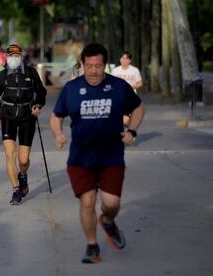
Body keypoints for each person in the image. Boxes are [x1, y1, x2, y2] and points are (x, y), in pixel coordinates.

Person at [50, 43, 145, 264]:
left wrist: (132, 130)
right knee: (87, 201)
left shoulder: (119, 87)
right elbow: (57, 116)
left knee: (111, 204)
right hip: (81, 158)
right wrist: (58, 133)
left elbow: (139, 108)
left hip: (111, 156)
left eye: (99, 66)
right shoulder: (71, 89)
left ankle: (108, 221)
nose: (94, 71)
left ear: (106, 66)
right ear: (82, 64)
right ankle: (92, 245)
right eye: (89, 66)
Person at [0, 44, 47, 205]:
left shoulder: (31, 73)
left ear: (21, 57)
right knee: (9, 154)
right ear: (6, 57)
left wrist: (38, 106)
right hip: (8, 116)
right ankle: (15, 190)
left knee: (23, 160)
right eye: (11, 56)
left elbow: (41, 92)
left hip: (27, 116)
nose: (14, 58)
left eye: (17, 56)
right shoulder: (2, 76)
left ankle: (23, 176)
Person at [111, 50, 143, 125]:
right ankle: (126, 132)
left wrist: (131, 87)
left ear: (129, 60)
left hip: (130, 97)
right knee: (118, 120)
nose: (124, 60)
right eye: (122, 58)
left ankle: (131, 131)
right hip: (117, 98)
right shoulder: (115, 71)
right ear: (120, 59)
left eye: (126, 58)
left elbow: (140, 83)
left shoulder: (134, 70)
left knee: (125, 121)